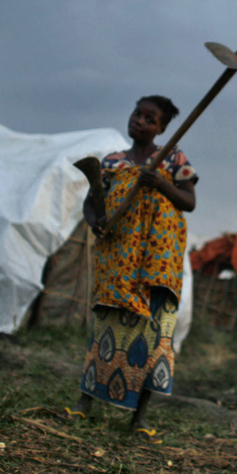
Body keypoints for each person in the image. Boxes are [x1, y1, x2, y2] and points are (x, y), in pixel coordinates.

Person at [65, 95, 197, 443]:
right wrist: (97, 224)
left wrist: (161, 184)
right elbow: (92, 203)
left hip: (158, 262)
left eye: (150, 119)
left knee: (155, 336)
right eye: (137, 114)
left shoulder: (172, 158)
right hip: (118, 260)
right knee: (106, 329)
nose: (140, 121)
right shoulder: (112, 161)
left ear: (163, 128)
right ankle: (85, 401)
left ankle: (139, 418)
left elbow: (190, 201)